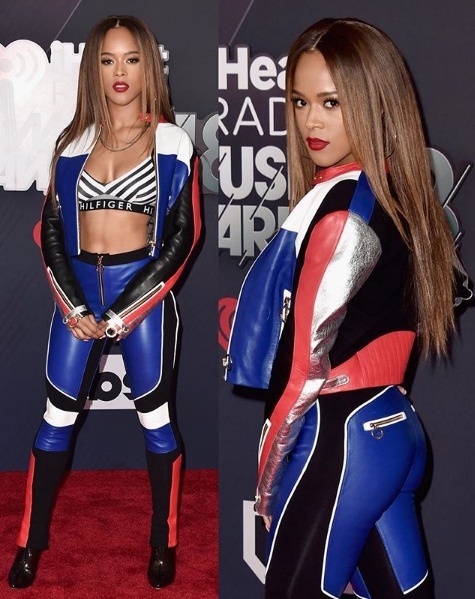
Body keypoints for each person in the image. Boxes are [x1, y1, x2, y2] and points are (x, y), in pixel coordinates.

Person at [224, 17, 471, 599]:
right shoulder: (403, 196)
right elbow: (419, 305)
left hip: (339, 438)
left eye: (331, 102)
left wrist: (267, 477)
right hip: (392, 429)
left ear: (373, 102)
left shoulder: (341, 211)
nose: (311, 121)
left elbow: (302, 368)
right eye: (301, 101)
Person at [8, 14, 201, 590]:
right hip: (77, 296)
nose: (120, 72)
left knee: (157, 422)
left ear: (149, 68)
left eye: (132, 59)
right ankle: (29, 544)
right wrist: (73, 306)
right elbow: (50, 231)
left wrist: (122, 314)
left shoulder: (172, 142)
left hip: (143, 294)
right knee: (54, 422)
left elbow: (182, 238)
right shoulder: (71, 143)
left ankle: (163, 542)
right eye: (108, 59)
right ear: (92, 68)